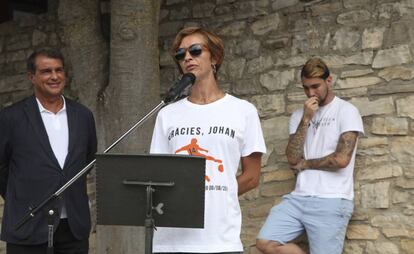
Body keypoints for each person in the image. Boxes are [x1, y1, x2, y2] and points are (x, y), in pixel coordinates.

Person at [150, 26, 266, 253]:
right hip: (172, 241)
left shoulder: (243, 111)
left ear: (215, 57)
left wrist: (214, 194)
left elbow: (252, 177)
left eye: (195, 50)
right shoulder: (167, 114)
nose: (188, 58)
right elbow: (159, 174)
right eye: (181, 54)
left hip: (220, 239)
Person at [256, 58, 364, 254]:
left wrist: (305, 164)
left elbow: (341, 159)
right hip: (298, 198)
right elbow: (292, 158)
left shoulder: (347, 111)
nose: (311, 93)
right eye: (306, 88)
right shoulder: (299, 115)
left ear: (329, 80)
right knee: (265, 243)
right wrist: (306, 119)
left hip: (332, 199)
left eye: (316, 86)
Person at [0, 48, 97, 254]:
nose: (54, 76)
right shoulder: (11, 118)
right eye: (46, 71)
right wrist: (23, 196)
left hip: (73, 227)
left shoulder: (83, 116)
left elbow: (87, 160)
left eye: (59, 70)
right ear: (31, 77)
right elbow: (2, 167)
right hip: (28, 226)